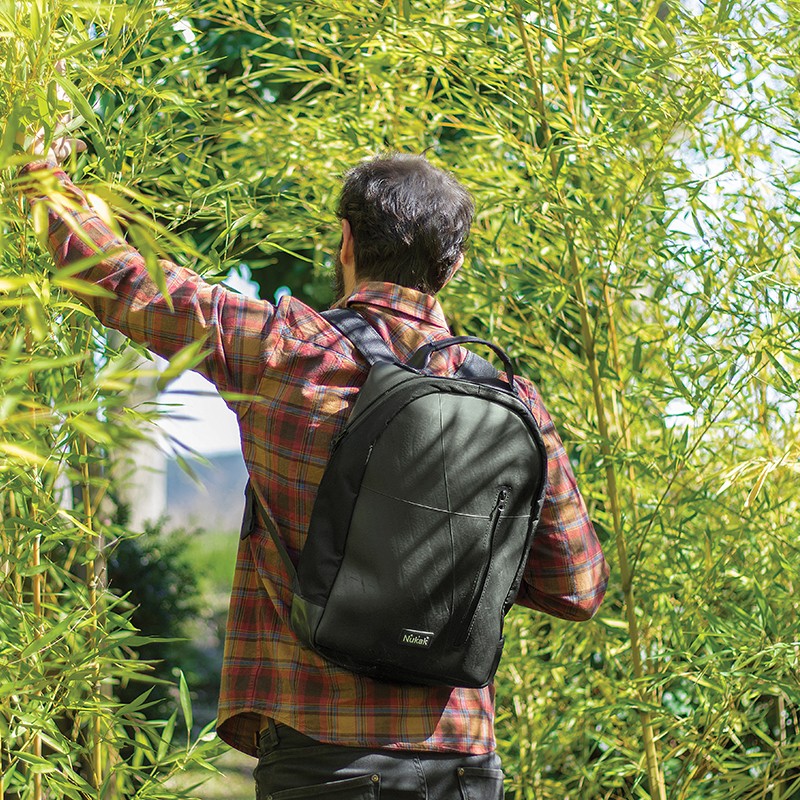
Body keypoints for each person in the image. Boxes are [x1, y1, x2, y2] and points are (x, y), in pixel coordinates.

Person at [21, 132, 608, 799]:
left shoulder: (284, 350)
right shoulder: (512, 400)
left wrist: (40, 175)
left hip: (320, 758)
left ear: (346, 242)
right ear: (454, 265)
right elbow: (579, 588)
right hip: (461, 762)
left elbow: (126, 283)